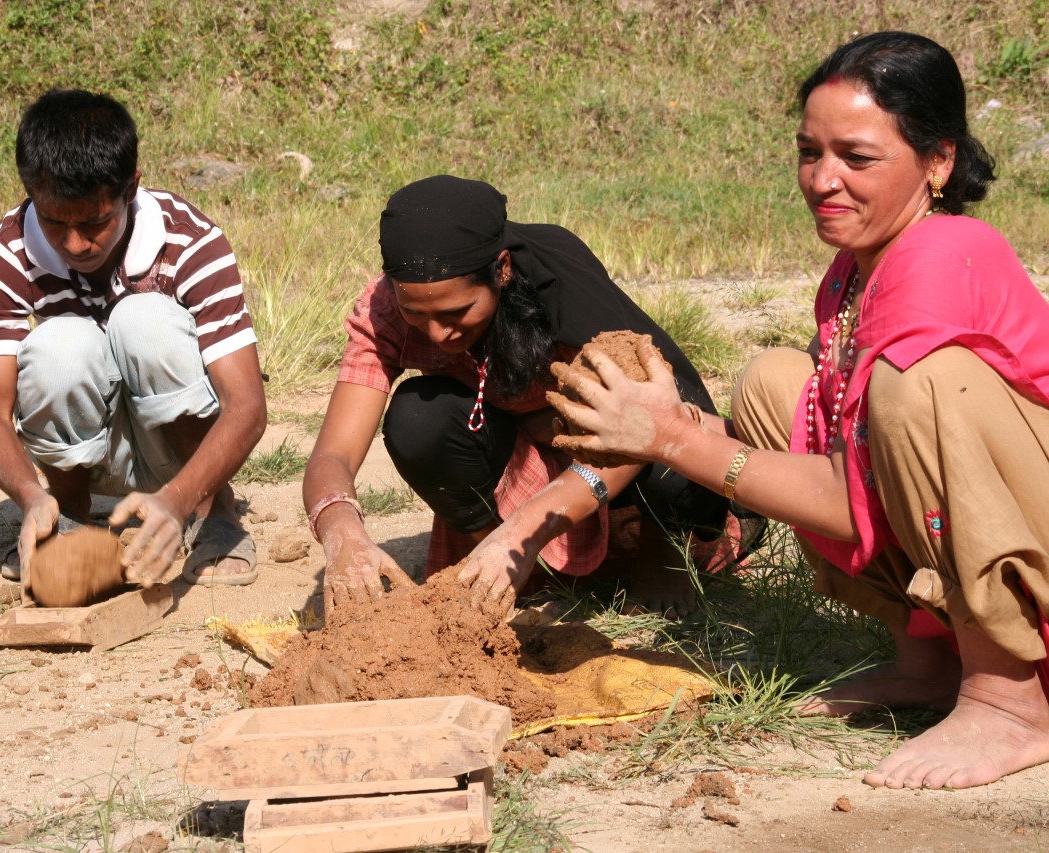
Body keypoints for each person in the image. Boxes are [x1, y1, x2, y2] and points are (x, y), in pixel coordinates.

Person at [550, 31, 1049, 790]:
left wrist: (674, 437)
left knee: (921, 388)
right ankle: (928, 662)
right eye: (809, 152)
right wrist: (670, 435)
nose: (823, 179)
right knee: (774, 385)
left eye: (856, 156)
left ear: (938, 161)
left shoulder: (943, 255)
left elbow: (852, 501)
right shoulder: (852, 271)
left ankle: (1010, 698)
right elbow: (859, 466)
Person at [303, 175, 735, 617]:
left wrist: (524, 530)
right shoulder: (384, 309)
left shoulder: (564, 293)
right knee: (418, 418)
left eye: (456, 312)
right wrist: (342, 530)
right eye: (416, 314)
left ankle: (660, 551)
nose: (437, 333)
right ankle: (499, 559)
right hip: (523, 446)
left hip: (621, 451)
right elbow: (333, 453)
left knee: (678, 423)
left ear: (503, 270)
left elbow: (648, 426)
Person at [0, 88, 265, 592]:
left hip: (183, 460)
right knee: (59, 345)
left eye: (94, 222)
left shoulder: (190, 240)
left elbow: (247, 404)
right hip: (87, 457)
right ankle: (69, 519)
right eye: (55, 222)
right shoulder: (2, 256)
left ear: (130, 188)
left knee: (144, 319)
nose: (76, 243)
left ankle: (214, 513)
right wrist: (30, 497)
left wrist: (178, 499)